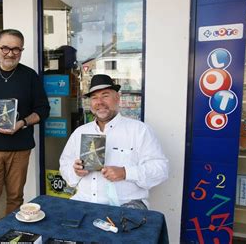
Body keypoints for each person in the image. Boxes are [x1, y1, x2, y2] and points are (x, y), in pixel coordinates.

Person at [0, 29, 50, 232]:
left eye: (16, 49)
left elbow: (43, 110)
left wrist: (22, 122)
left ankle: (10, 235)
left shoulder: (30, 76)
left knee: (15, 198)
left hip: (19, 150)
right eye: (5, 48)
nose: (10, 53)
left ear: (21, 50)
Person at [59, 74, 168, 210]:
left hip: (125, 206)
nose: (99, 102)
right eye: (94, 97)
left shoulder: (139, 130)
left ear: (117, 98)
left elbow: (161, 169)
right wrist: (75, 171)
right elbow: (64, 166)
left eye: (105, 95)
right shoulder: (80, 132)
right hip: (84, 203)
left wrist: (126, 172)